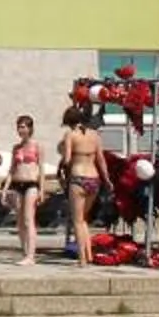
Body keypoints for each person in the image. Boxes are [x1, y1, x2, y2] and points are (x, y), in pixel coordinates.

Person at [59, 106, 109, 266]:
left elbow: (67, 160)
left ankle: (82, 259)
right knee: (84, 220)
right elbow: (101, 159)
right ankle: (89, 255)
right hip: (94, 178)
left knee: (77, 221)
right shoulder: (95, 135)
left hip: (78, 177)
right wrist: (107, 179)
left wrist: (61, 161)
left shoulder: (70, 135)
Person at [6, 114, 44, 265]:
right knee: (20, 221)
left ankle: (31, 256)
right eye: (18, 127)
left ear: (30, 128)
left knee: (29, 219)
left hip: (31, 184)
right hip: (17, 184)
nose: (20, 130)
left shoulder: (37, 146)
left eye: (23, 127)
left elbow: (41, 169)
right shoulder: (16, 148)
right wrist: (5, 189)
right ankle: (25, 250)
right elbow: (11, 169)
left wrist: (42, 189)